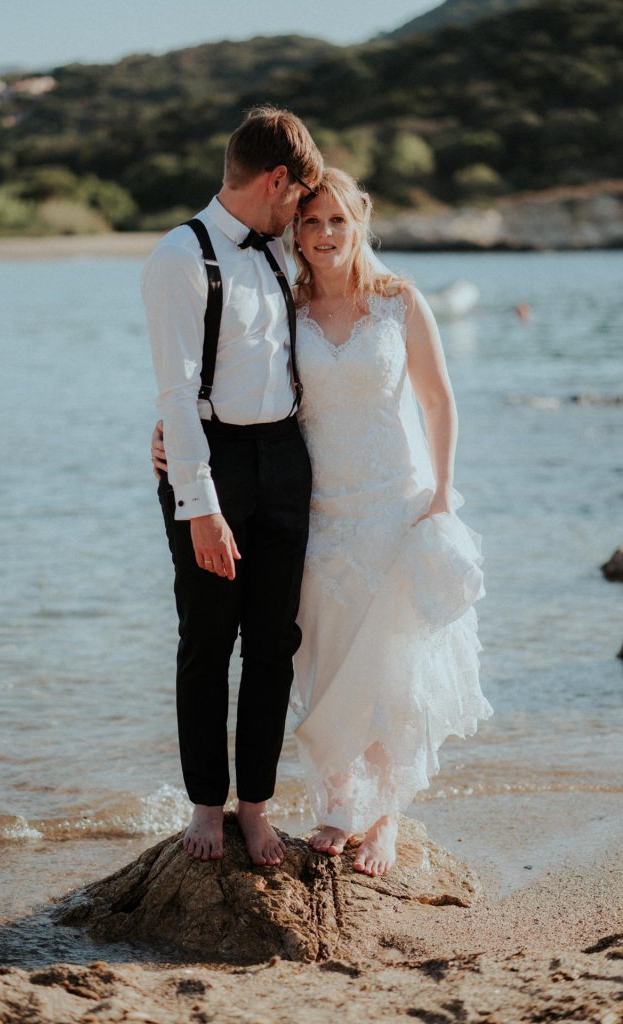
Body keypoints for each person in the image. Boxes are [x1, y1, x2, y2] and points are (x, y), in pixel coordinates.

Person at [152, 167, 492, 877]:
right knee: (325, 664)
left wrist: (442, 494)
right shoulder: (288, 304)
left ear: (360, 222)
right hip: (315, 509)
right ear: (297, 233)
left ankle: (384, 819)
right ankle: (340, 805)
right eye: (310, 222)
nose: (324, 234)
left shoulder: (399, 302)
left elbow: (438, 402)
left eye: (337, 220)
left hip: (393, 502)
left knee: (390, 664)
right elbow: (231, 376)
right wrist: (172, 435)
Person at [141, 106, 323, 868]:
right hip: (213, 463)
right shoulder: (178, 257)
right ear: (275, 180)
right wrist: (201, 507)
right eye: (298, 197)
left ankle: (255, 806)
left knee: (273, 645)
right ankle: (204, 804)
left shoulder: (281, 252)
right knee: (207, 641)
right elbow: (176, 395)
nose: (301, 215)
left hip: (284, 458)